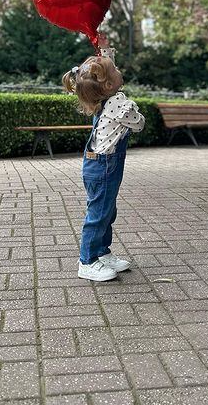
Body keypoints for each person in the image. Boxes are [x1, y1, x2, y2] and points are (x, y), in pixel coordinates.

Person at [62, 34, 145, 282]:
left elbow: (105, 70)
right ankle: (86, 261)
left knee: (107, 212)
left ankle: (101, 252)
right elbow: (139, 124)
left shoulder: (102, 97)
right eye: (116, 69)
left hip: (99, 165)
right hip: (104, 167)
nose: (119, 70)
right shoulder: (119, 104)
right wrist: (138, 115)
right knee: (98, 215)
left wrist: (105, 49)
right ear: (109, 85)